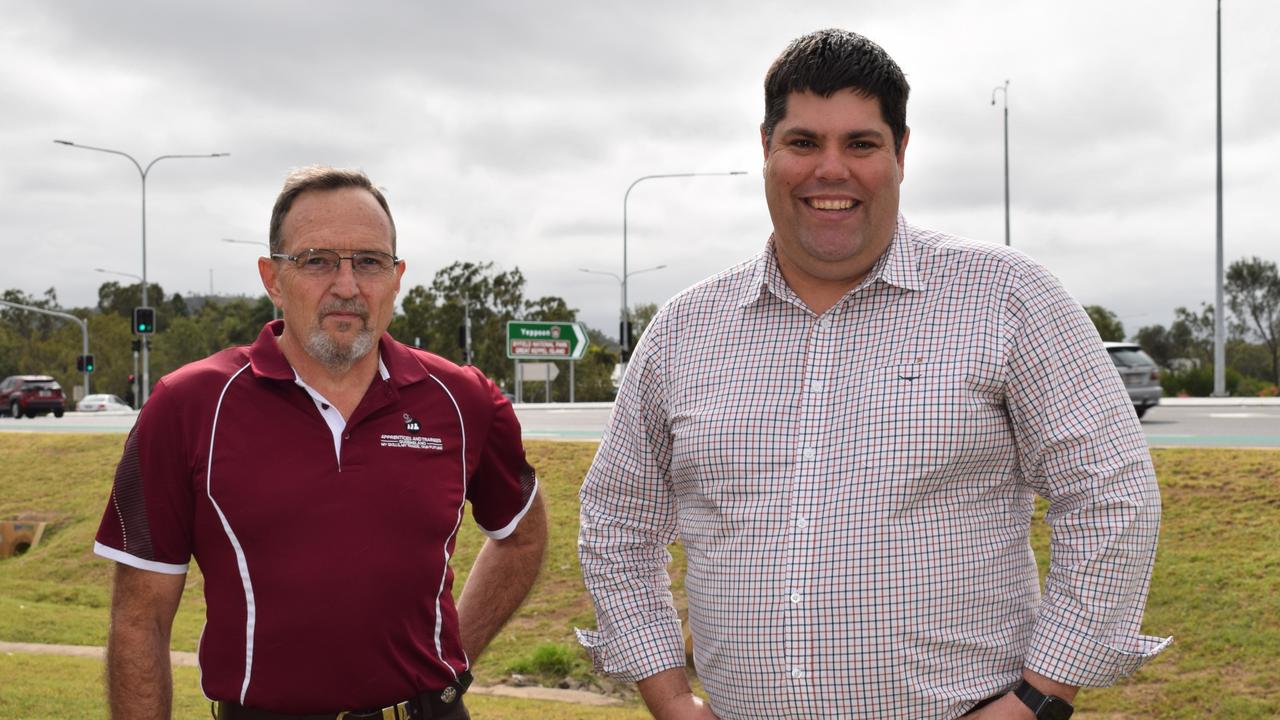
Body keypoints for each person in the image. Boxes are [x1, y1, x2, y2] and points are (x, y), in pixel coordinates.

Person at [577, 29, 1167, 720]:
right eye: (803, 143)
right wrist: (670, 697)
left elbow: (1111, 496)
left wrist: (1040, 698)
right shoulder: (684, 331)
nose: (832, 170)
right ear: (766, 147)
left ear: (901, 153)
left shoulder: (1007, 299)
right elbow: (618, 522)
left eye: (860, 144)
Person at [94, 166, 547, 719]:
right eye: (317, 260)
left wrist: (450, 662)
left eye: (370, 262)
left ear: (397, 276)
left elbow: (521, 534)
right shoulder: (187, 406)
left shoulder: (462, 398)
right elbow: (141, 619)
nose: (347, 286)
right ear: (271, 277)